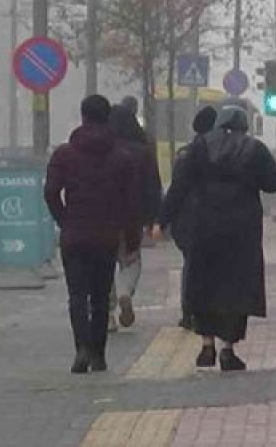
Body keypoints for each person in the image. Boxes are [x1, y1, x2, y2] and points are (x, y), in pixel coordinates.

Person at [181, 105, 276, 371]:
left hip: (204, 225)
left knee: (204, 281)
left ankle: (206, 344)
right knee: (237, 286)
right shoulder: (254, 149)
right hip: (241, 229)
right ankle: (228, 349)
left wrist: (162, 218)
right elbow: (275, 182)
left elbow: (181, 183)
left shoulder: (201, 146)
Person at [45, 95, 139, 374]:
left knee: (76, 295)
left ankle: (81, 348)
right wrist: (131, 240)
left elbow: (50, 192)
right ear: (107, 117)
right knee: (100, 297)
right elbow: (130, 203)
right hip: (106, 236)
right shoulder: (122, 157)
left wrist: (65, 220)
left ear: (83, 116)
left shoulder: (64, 154)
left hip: (74, 235)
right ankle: (98, 354)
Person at [160, 106, 217, 330]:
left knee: (191, 266)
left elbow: (177, 190)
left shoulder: (185, 154)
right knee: (210, 267)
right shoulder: (219, 153)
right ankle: (207, 311)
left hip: (186, 221)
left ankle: (188, 311)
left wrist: (162, 219)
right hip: (212, 219)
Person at [107, 104, 162, 331]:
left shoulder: (104, 149)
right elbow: (153, 187)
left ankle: (107, 316)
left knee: (104, 265)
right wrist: (154, 220)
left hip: (102, 217)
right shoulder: (142, 151)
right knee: (131, 260)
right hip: (132, 217)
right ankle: (124, 292)